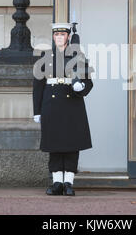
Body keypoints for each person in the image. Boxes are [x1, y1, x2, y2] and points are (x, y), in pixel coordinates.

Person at [32, 23, 94, 196]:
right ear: (53, 37)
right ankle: (57, 182)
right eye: (56, 35)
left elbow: (89, 82)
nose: (59, 37)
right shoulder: (44, 58)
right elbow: (38, 87)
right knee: (55, 144)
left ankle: (68, 182)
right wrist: (37, 111)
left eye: (62, 34)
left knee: (71, 144)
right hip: (51, 106)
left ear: (68, 37)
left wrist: (81, 87)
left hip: (72, 105)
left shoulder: (78, 57)